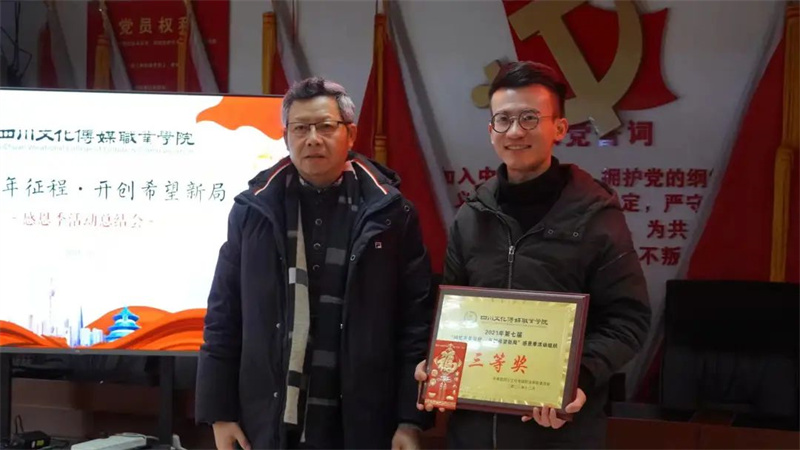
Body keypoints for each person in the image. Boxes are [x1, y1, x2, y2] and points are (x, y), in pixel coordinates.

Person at [416, 61, 651, 448]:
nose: (514, 131)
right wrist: (439, 364)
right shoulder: (471, 217)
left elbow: (628, 319)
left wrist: (579, 378)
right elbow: (453, 316)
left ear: (559, 127)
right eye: (503, 120)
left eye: (529, 118)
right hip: (473, 435)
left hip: (558, 434)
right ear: (491, 130)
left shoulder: (595, 217)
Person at [196, 77, 434, 449]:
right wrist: (219, 413)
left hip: (364, 415)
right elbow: (224, 315)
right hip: (270, 413)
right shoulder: (253, 211)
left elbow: (414, 323)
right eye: (300, 128)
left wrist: (410, 420)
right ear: (285, 136)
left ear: (350, 134)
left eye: (325, 126)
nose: (312, 139)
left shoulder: (391, 213)